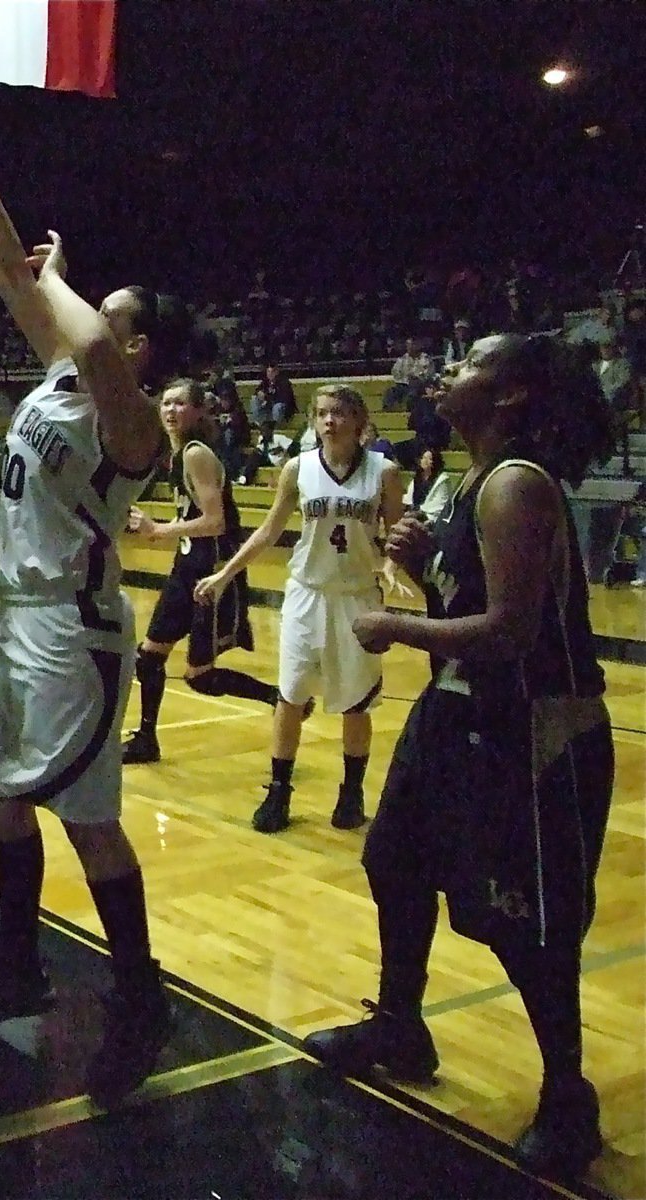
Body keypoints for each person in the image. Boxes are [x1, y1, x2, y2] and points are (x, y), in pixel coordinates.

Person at [0, 107, 214, 1107]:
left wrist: (58, 278)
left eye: (106, 310)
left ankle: (140, 994)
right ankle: (17, 960)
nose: (81, 310)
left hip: (72, 634)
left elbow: (72, 323)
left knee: (86, 820)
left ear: (135, 343)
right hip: (15, 618)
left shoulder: (132, 422)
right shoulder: (66, 376)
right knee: (1, 792)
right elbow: (9, 273)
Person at [304, 334, 616, 1180]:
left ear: (510, 396)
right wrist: (425, 575)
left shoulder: (515, 485)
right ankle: (400, 1024)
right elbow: (478, 612)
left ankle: (567, 1098)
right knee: (394, 862)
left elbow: (512, 635)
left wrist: (398, 624)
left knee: (529, 925)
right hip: (458, 711)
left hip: (534, 728)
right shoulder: (469, 482)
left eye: (470, 363)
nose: (447, 372)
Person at [195, 384, 405, 833]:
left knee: (356, 703)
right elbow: (268, 532)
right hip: (306, 594)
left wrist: (390, 564)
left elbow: (398, 531)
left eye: (340, 413)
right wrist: (224, 573)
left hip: (357, 598)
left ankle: (351, 793)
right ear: (313, 421)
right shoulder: (298, 468)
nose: (330, 421)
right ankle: (278, 792)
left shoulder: (384, 472)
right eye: (323, 413)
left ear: (358, 421)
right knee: (291, 695)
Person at [120, 377, 277, 765]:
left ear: (196, 410)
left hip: (213, 572)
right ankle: (146, 739)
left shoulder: (195, 454)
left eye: (178, 404)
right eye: (165, 404)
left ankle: (279, 698)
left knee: (199, 677)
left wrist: (159, 530)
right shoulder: (175, 455)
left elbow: (216, 521)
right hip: (186, 567)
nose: (170, 411)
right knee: (149, 656)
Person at [402, 445, 452, 522]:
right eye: (423, 458)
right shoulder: (417, 478)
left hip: (432, 518)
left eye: (429, 459)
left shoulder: (442, 479)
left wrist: (420, 513)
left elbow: (439, 505)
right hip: (414, 514)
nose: (425, 461)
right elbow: (409, 499)